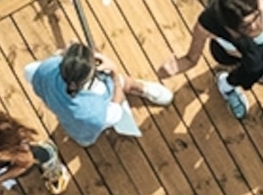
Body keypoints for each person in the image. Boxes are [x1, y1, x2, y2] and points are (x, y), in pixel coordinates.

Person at [159, 0, 263, 123]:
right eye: (245, 26)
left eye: (256, 17)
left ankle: (259, 70)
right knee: (243, 75)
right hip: (229, 56)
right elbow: (191, 58)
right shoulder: (207, 25)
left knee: (258, 67)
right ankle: (227, 85)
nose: (255, 26)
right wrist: (174, 68)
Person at [22, 39, 173, 147]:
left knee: (84, 141)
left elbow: (29, 71)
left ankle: (140, 88)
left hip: (75, 129)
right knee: (121, 81)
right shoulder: (95, 114)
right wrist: (114, 72)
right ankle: (140, 88)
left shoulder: (44, 69)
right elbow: (116, 108)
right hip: (101, 109)